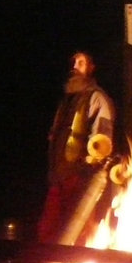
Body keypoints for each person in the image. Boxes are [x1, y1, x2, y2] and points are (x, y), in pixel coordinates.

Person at [38, 51, 116, 244]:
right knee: (48, 231)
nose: (74, 66)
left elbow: (102, 143)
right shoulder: (67, 102)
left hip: (79, 179)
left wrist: (87, 175)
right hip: (58, 177)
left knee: (79, 234)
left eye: (80, 62)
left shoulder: (97, 98)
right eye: (73, 62)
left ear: (91, 68)